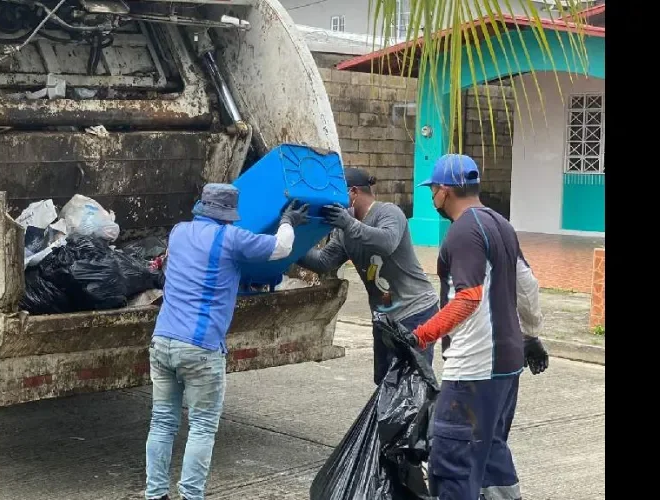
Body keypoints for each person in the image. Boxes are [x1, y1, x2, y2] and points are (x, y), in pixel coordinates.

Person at [380, 154, 549, 500]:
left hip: (473, 370)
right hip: (507, 367)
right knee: (490, 453)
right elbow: (528, 284)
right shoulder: (501, 225)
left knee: (452, 461)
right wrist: (531, 336)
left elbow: (468, 298)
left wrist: (420, 336)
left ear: (445, 191)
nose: (431, 198)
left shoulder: (462, 232)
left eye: (433, 191)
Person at [144, 183, 309, 500]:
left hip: (162, 340)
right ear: (229, 216)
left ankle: (155, 494)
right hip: (201, 346)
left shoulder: (178, 232)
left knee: (163, 422)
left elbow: (198, 267)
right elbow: (280, 248)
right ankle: (191, 495)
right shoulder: (231, 238)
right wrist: (288, 221)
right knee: (202, 426)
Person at [297, 167, 440, 385]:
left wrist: (349, 224)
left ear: (353, 192)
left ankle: (423, 420)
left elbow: (387, 242)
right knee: (385, 382)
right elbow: (324, 262)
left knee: (411, 384)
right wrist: (287, 243)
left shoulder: (388, 213)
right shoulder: (345, 230)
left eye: (338, 194)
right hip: (384, 317)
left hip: (415, 311)